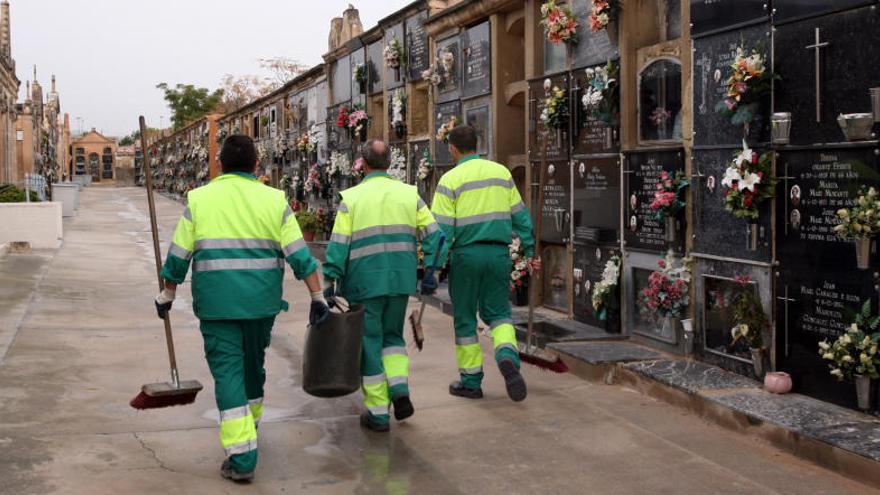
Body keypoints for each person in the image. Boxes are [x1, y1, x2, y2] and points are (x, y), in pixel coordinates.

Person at [154, 135, 329, 482]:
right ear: (255, 166)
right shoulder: (274, 200)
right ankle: (250, 425)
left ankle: (241, 456)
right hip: (262, 305)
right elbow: (299, 254)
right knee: (253, 367)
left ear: (219, 164)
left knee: (228, 374)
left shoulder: (200, 200)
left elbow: (178, 256)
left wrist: (167, 295)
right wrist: (317, 297)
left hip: (217, 306)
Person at [322, 139, 441, 432]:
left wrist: (330, 280)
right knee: (393, 339)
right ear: (389, 163)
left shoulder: (352, 198)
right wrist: (431, 271)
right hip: (400, 281)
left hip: (364, 283)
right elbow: (436, 237)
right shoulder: (409, 194)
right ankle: (400, 390)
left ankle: (377, 413)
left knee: (370, 343)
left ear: (363, 163)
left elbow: (339, 245)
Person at [426, 125, 539, 402]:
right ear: (477, 144)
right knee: (499, 313)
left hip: (466, 257)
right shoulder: (501, 174)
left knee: (465, 318)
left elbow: (442, 232)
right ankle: (506, 355)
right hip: (499, 255)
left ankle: (471, 382)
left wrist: (434, 267)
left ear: (452, 148)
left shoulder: (449, 181)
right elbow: (521, 217)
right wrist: (529, 249)